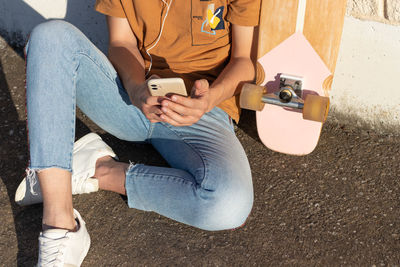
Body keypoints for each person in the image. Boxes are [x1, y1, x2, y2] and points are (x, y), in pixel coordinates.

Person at [15, 0, 261, 265]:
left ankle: (96, 169)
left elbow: (243, 62)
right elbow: (121, 43)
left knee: (228, 205)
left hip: (203, 113)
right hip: (133, 100)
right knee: (50, 37)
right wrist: (135, 88)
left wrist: (209, 99)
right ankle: (60, 225)